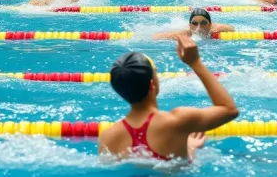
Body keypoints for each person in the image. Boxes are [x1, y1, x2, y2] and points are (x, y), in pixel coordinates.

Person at [98, 35, 239, 162]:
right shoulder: (178, 122)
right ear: (152, 84)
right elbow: (229, 109)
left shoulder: (107, 137)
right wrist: (195, 62)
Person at [153, 8, 236, 39]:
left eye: (203, 23)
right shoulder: (186, 34)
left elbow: (232, 29)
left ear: (210, 24)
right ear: (189, 25)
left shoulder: (215, 28)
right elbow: (157, 36)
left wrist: (217, 29)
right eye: (195, 24)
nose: (199, 27)